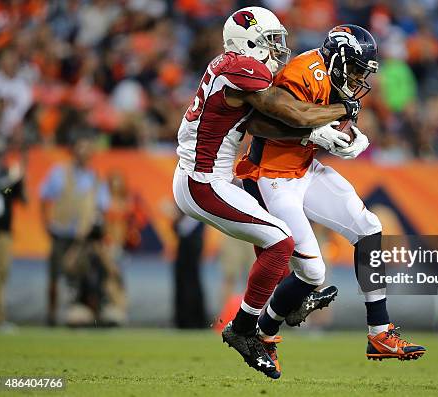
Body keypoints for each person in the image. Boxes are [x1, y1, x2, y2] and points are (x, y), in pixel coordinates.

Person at [172, 6, 359, 379]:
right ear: (249, 42)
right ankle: (243, 329)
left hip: (210, 178)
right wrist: (343, 107)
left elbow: (261, 122)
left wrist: (311, 133)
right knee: (280, 242)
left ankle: (288, 301)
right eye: (272, 42)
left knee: (270, 239)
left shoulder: (233, 69)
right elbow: (292, 112)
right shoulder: (243, 67)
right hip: (204, 182)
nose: (278, 50)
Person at [235, 25, 426, 368]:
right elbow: (258, 124)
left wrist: (349, 137)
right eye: (354, 68)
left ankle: (379, 332)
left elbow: (328, 122)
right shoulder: (301, 73)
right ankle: (262, 335)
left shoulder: (335, 80)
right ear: (337, 58)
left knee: (368, 228)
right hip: (272, 176)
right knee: (312, 272)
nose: (356, 78)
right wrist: (316, 132)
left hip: (303, 170)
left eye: (361, 72)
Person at [40, 136, 110, 326]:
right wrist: (47, 224)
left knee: (85, 276)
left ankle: (89, 317)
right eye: (80, 148)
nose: (84, 153)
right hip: (61, 231)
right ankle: (51, 316)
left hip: (83, 236)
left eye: (87, 149)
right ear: (74, 151)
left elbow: (102, 207)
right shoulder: (59, 173)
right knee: (54, 277)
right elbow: (44, 197)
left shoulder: (95, 178)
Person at [0, 138, 26, 331]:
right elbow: (2, 189)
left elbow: (14, 195)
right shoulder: (6, 177)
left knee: (1, 275)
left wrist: (19, 181)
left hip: (3, 232)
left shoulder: (6, 173)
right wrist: (10, 181)